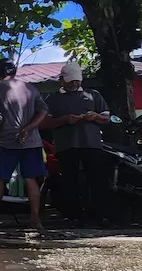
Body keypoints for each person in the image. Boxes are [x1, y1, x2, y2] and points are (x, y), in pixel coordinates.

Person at [41, 62, 115, 226]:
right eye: (71, 81)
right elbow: (44, 123)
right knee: (69, 182)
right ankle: (73, 216)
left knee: (97, 180)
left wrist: (95, 116)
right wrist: (65, 120)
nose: (75, 84)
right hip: (66, 146)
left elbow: (106, 118)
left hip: (92, 144)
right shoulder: (52, 99)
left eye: (77, 81)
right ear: (62, 80)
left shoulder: (93, 95)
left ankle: (100, 215)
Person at [0, 58, 49, 230]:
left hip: (6, 142)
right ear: (14, 71)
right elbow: (43, 110)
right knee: (31, 179)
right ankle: (35, 220)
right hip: (32, 142)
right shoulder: (30, 88)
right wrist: (29, 127)